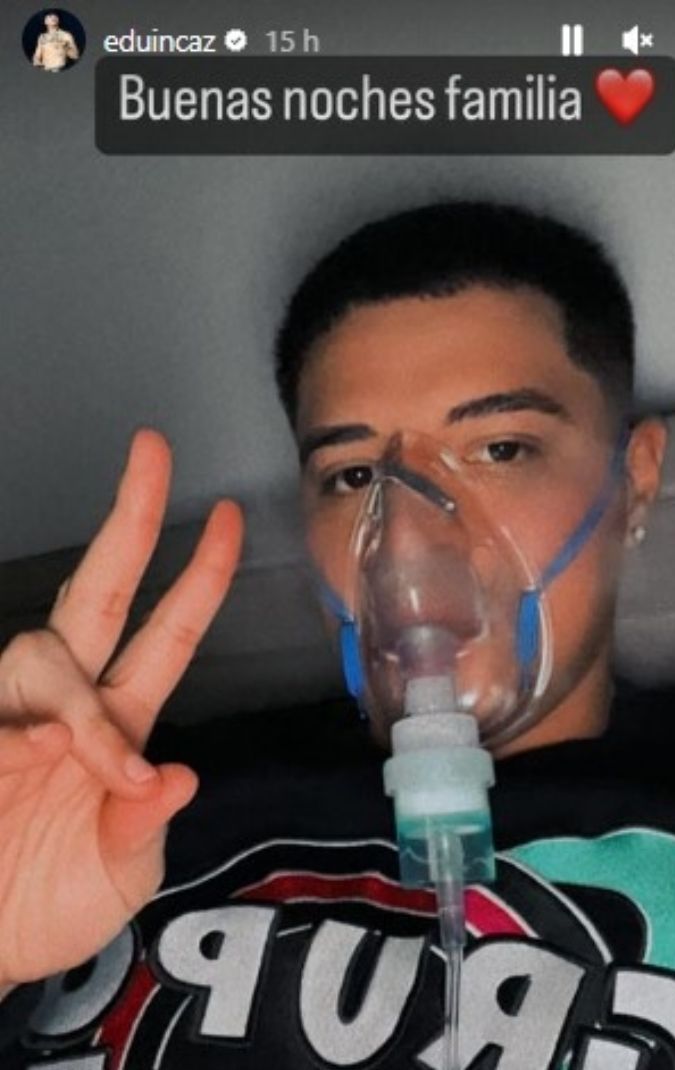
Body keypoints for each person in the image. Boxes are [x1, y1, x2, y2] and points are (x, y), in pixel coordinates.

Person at [0, 200, 673, 1068]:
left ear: (634, 479)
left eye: (501, 450)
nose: (407, 543)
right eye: (353, 476)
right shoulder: (113, 801)